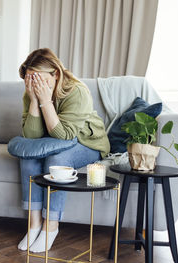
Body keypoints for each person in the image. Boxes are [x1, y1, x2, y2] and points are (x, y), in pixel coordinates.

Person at [17, 48, 110, 252]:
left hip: (87, 143)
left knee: (56, 160)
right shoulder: (31, 92)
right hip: (54, 142)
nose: (34, 83)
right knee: (27, 157)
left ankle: (51, 226)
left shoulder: (77, 91)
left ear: (55, 74)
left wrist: (45, 101)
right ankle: (33, 225)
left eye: (38, 78)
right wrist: (34, 100)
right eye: (29, 78)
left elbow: (64, 135)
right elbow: (31, 137)